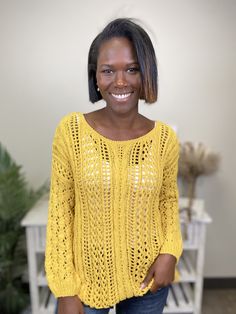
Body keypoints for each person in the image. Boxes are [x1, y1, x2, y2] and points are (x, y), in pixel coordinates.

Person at [45, 18, 183, 314]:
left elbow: (168, 202)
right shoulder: (70, 131)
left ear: (146, 73)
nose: (120, 82)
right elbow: (60, 211)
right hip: (86, 284)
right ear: (95, 77)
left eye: (132, 69)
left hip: (149, 281)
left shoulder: (165, 139)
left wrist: (170, 252)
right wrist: (65, 290)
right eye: (108, 71)